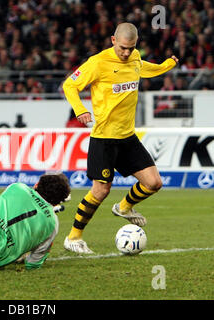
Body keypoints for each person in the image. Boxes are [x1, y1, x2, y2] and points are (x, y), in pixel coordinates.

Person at [62, 22, 179, 254]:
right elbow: (69, 85)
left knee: (154, 183)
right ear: (114, 41)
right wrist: (80, 109)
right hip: (104, 138)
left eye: (131, 48)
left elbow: (145, 68)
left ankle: (124, 208)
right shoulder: (97, 62)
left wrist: (167, 64)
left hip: (127, 137)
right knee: (100, 190)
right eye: (123, 48)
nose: (126, 53)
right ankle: (73, 237)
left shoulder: (134, 57)